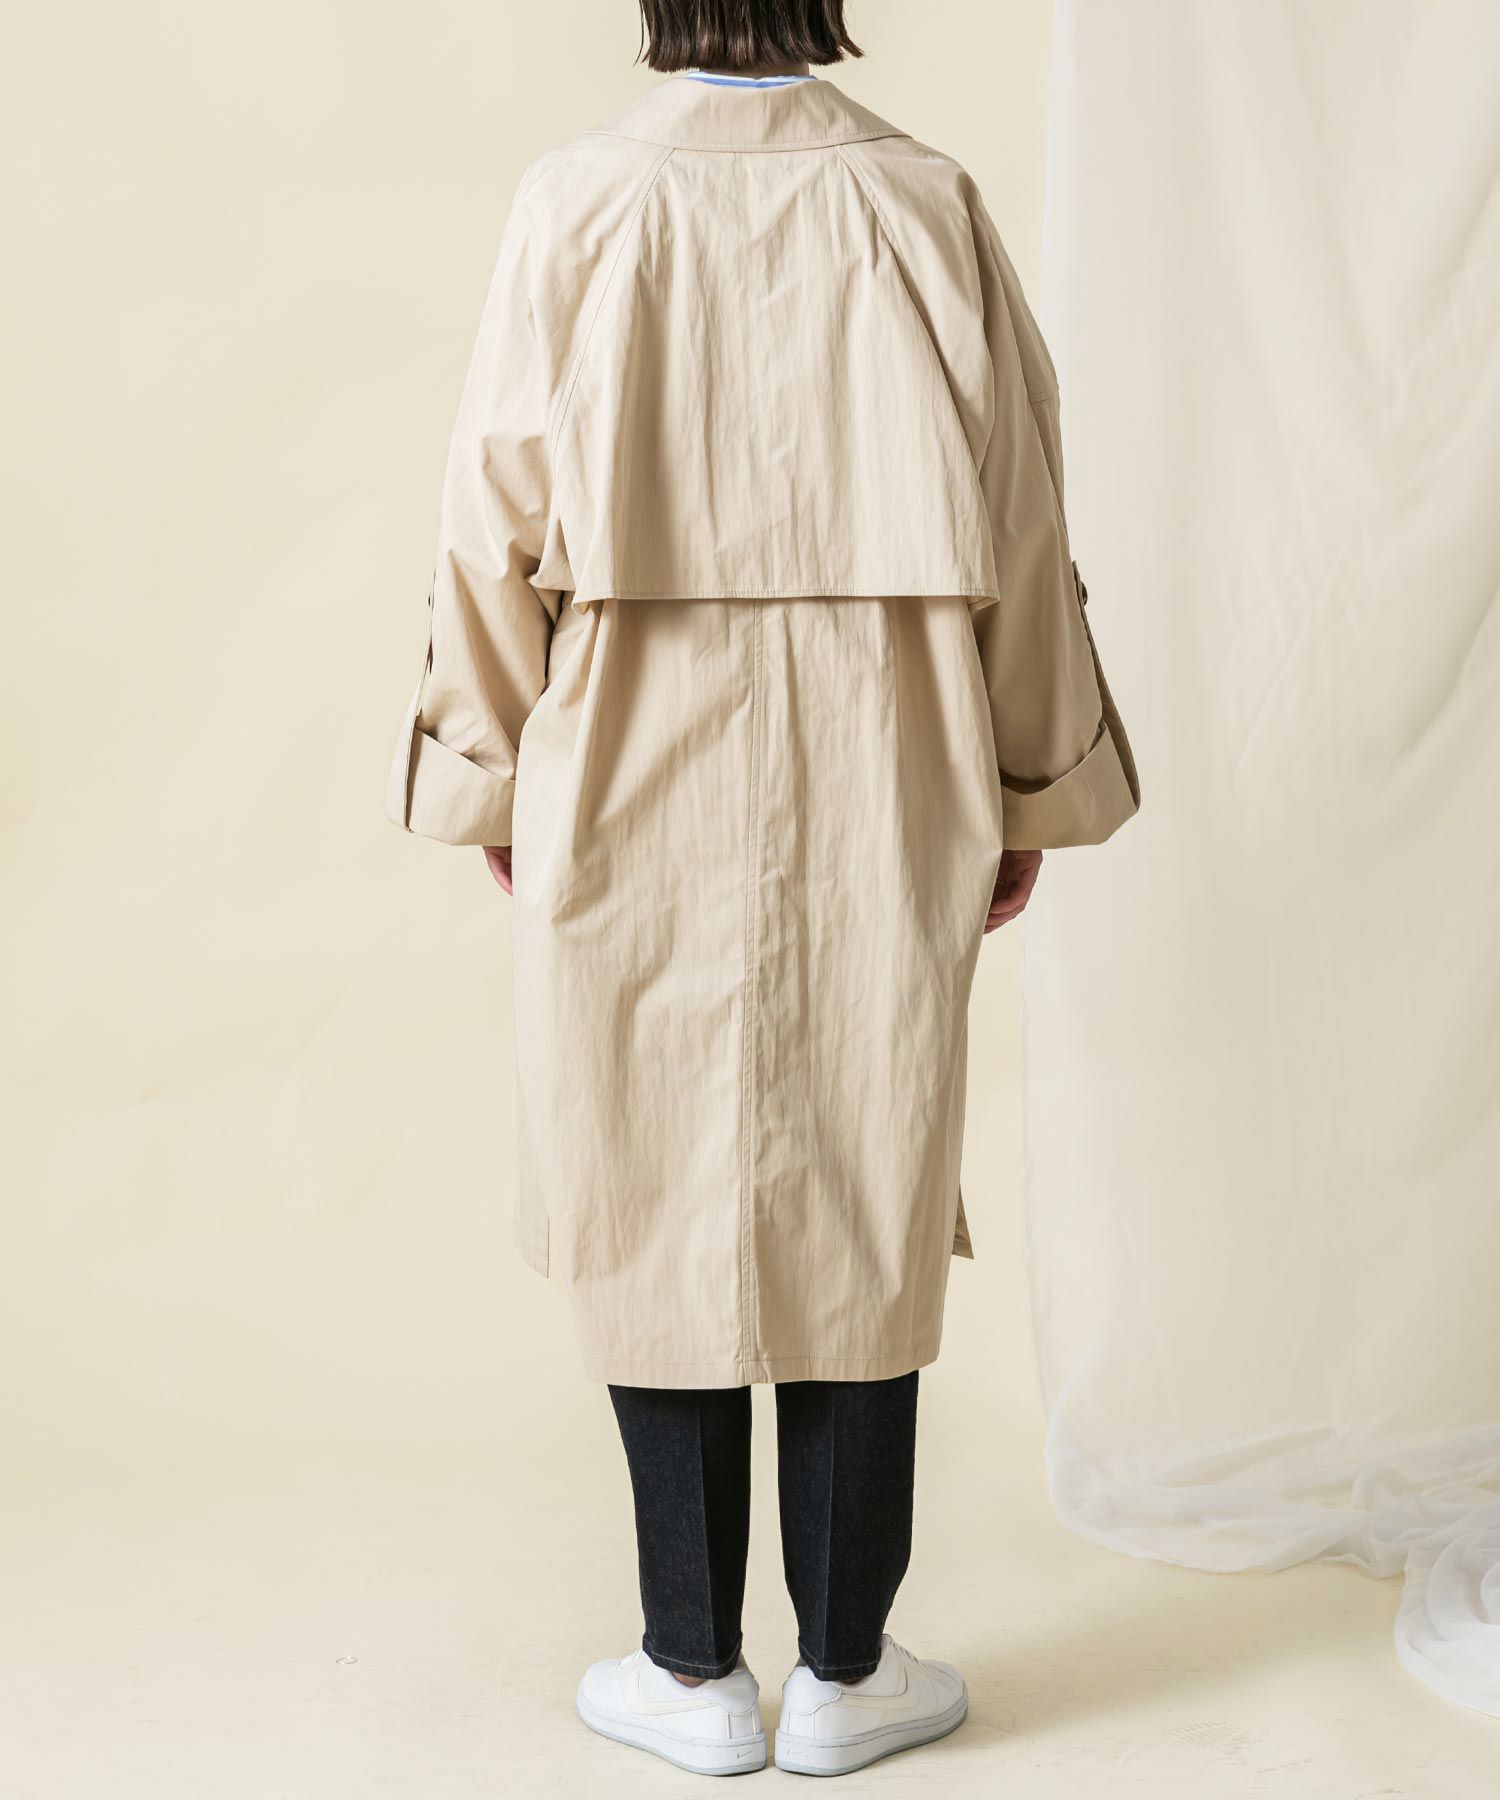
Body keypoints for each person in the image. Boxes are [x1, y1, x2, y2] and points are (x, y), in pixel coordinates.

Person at [385, 0, 1138, 1777]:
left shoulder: (579, 201)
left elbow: (492, 511)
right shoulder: (924, 200)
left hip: (624, 734)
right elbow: (1021, 510)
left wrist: (490, 765)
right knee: (869, 1166)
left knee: (647, 1171)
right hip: (894, 736)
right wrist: (1031, 777)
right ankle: (847, 1674)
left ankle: (690, 1669)